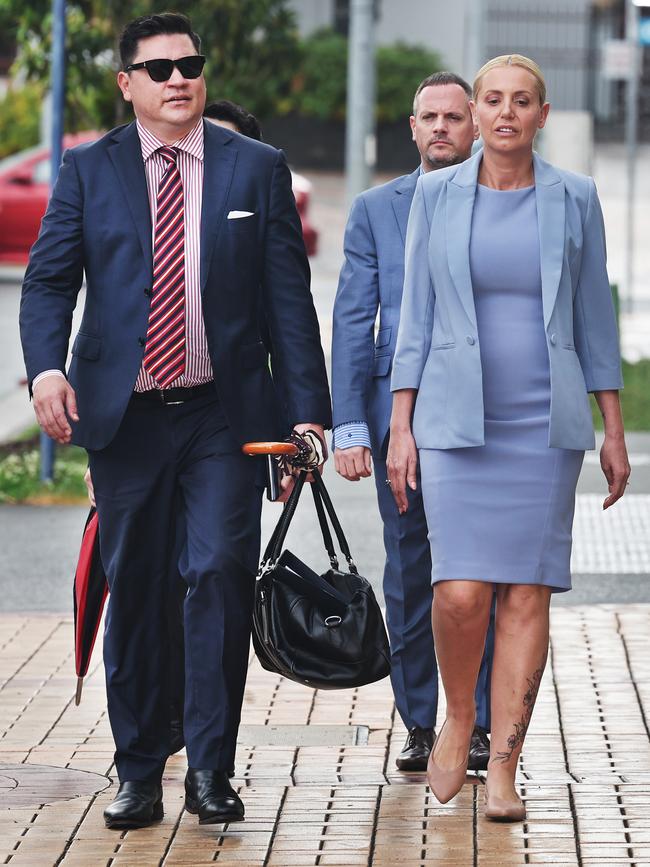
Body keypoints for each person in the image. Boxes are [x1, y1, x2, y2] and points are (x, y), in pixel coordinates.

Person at [20, 12, 331, 831]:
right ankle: (136, 769)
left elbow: (287, 302)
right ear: (127, 84)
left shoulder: (255, 168)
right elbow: (50, 282)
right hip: (125, 419)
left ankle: (211, 770)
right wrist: (48, 367)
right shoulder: (89, 170)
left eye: (189, 65)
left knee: (220, 575)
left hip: (222, 417)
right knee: (138, 589)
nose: (178, 79)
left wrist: (309, 419)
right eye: (158, 69)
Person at [388, 54, 630, 821]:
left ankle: (505, 767)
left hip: (543, 423)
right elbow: (415, 321)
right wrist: (401, 426)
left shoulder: (576, 198)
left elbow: (596, 319)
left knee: (526, 594)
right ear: (477, 109)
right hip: (456, 422)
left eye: (520, 100)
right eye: (491, 99)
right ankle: (459, 715)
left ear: (541, 113)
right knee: (460, 592)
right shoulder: (435, 194)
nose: (504, 113)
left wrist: (612, 428)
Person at [332, 72, 494, 773]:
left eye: (453, 117)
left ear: (475, 126)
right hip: (396, 413)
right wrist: (349, 427)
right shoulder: (376, 208)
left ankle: (480, 721)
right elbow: (350, 318)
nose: (441, 129)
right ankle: (420, 721)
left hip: (486, 414)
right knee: (409, 566)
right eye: (428, 117)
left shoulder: (503, 199)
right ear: (411, 126)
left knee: (481, 569)